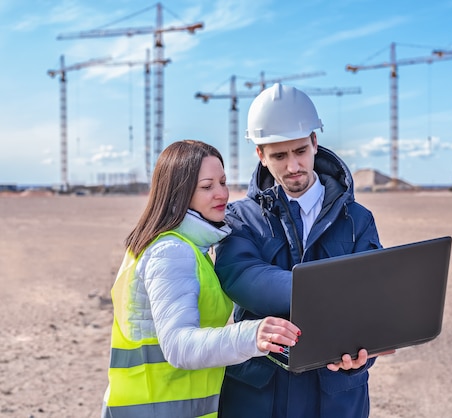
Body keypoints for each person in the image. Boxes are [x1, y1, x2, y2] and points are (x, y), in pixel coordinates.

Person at [214, 83, 385, 418]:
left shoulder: (358, 220)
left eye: (300, 151)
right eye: (279, 155)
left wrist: (361, 356)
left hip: (334, 399)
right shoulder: (240, 219)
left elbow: (373, 301)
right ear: (261, 155)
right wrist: (326, 292)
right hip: (259, 397)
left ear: (314, 143)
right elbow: (240, 275)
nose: (293, 166)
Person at [101, 140, 300, 418]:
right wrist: (252, 335)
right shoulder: (171, 252)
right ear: (179, 194)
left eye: (223, 182)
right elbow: (179, 346)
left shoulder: (188, 248)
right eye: (207, 186)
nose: (222, 194)